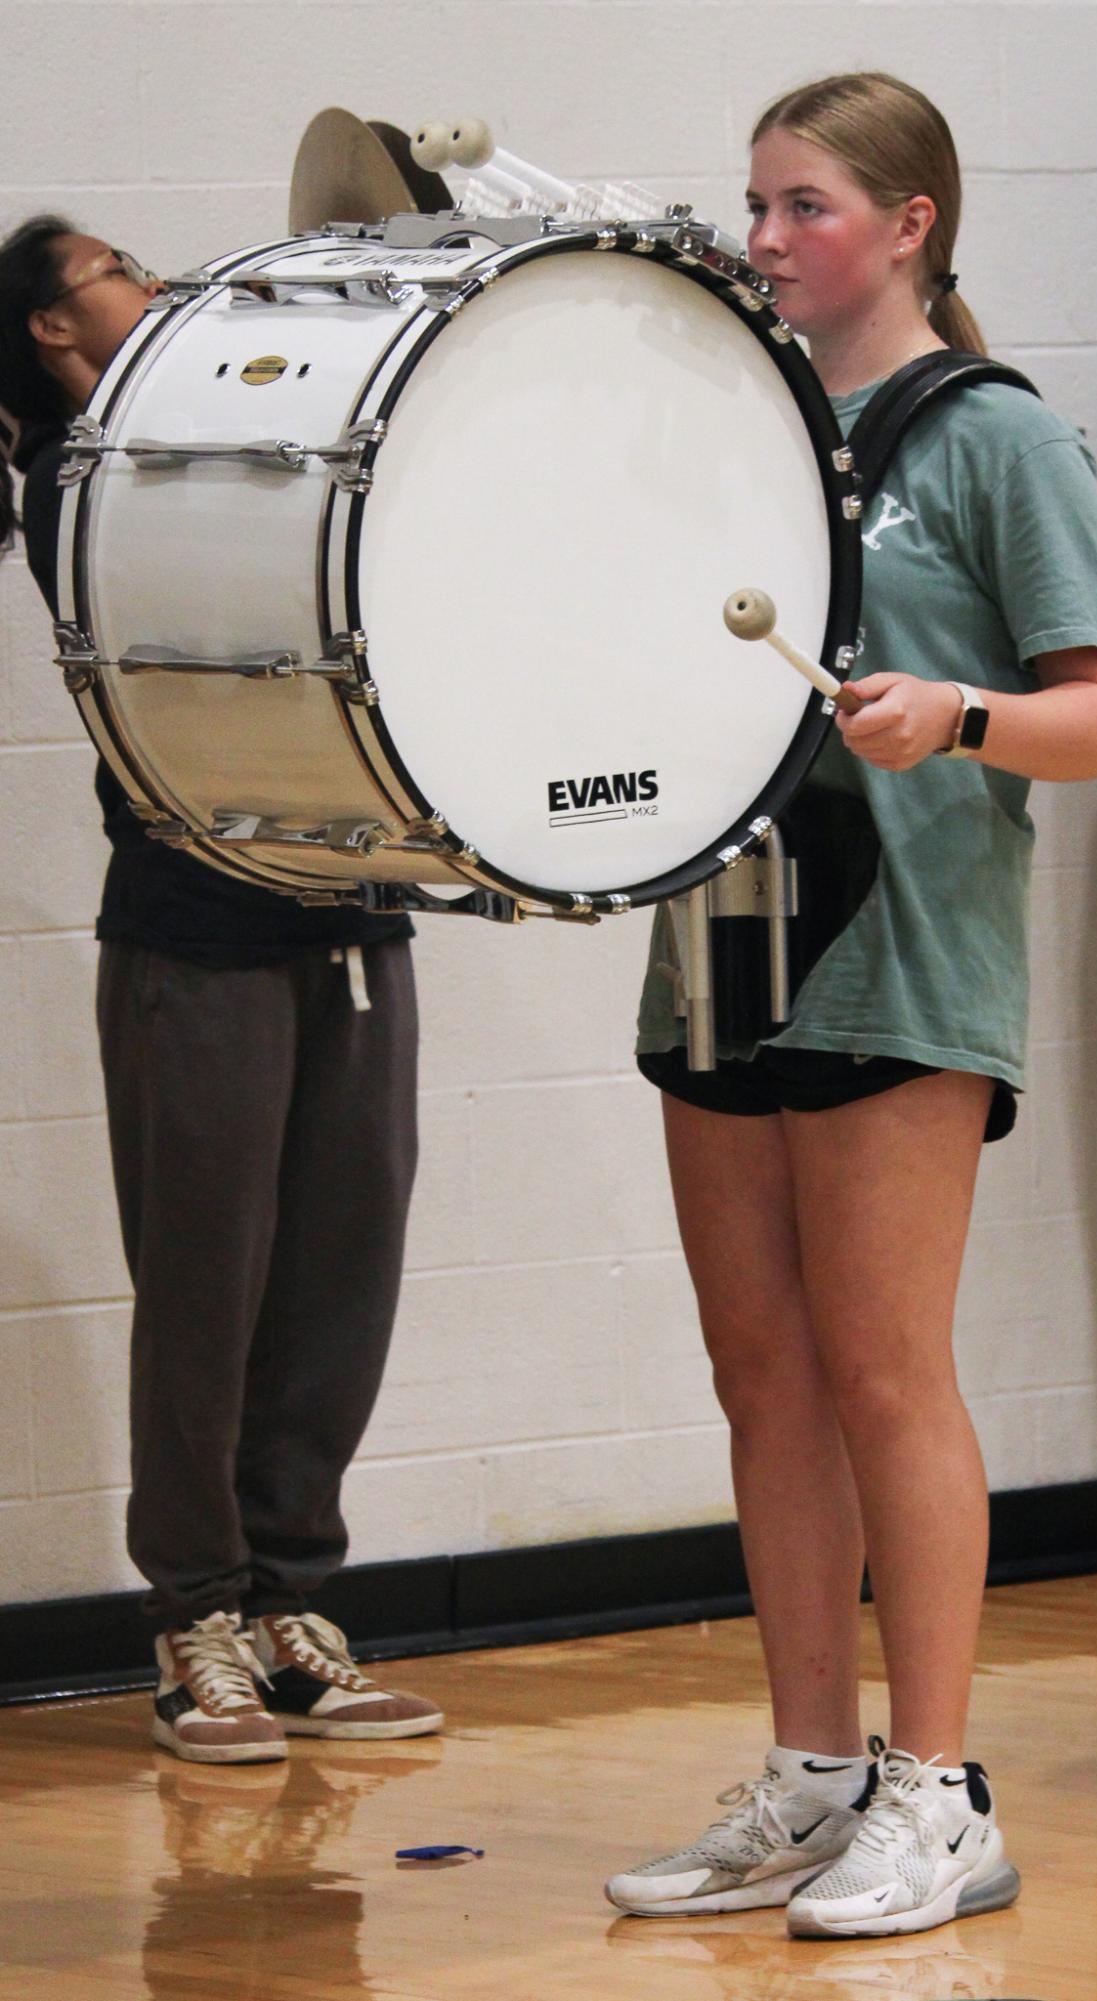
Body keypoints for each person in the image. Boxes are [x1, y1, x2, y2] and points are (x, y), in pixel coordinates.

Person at [605, 74, 1097, 1938]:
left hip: (905, 958)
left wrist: (960, 713)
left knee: (882, 1368)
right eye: (753, 205)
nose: (763, 241)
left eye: (805, 206)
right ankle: (815, 1766)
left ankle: (938, 1787)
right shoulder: (730, 428)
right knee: (761, 1371)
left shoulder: (999, 440)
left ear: (912, 222)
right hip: (717, 937)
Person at [1, 217, 442, 1762]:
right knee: (207, 1290)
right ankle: (197, 1616)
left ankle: (293, 1606)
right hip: (196, 936)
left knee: (340, 1280)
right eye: (113, 265)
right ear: (59, 334)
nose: (151, 274)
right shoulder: (83, 482)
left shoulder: (239, 443)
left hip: (356, 919)